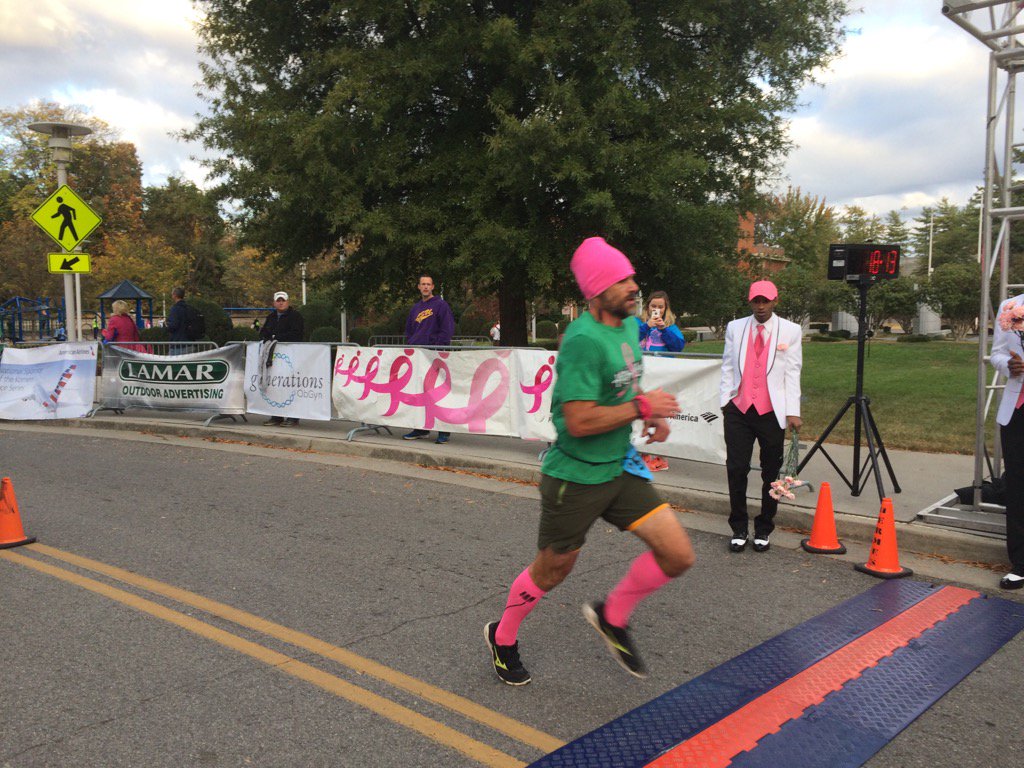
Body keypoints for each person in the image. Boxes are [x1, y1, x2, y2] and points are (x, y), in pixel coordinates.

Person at [484, 236, 694, 686]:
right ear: (597, 292)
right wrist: (641, 408)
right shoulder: (582, 340)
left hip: (620, 466)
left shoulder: (626, 328)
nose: (634, 286)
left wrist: (649, 412)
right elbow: (578, 420)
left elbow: (622, 387)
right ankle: (502, 636)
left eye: (632, 276)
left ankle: (612, 616)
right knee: (553, 570)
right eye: (622, 280)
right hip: (575, 476)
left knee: (677, 554)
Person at [719, 279, 803, 554]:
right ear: (750, 301)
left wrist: (793, 410)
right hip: (739, 409)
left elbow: (793, 372)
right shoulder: (735, 327)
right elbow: (728, 367)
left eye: (765, 300)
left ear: (775, 301)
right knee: (736, 468)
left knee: (771, 473)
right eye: (756, 300)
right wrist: (726, 400)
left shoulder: (790, 331)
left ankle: (764, 527)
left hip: (771, 412)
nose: (761, 306)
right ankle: (739, 527)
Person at [989, 294, 1024, 590]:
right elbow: (997, 354)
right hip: (1018, 410)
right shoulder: (1011, 306)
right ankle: (1021, 562)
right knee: (1018, 485)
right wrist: (1008, 366)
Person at [402, 274, 455, 444]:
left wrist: (438, 349)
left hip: (434, 355)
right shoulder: (416, 308)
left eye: (428, 284)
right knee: (419, 392)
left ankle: (444, 430)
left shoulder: (440, 305)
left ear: (433, 287)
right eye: (422, 284)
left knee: (438, 392)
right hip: (418, 356)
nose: (425, 287)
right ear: (418, 287)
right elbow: (409, 330)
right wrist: (412, 344)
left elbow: (447, 329)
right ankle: (421, 428)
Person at [637, 290, 686, 472]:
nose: (656, 310)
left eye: (660, 307)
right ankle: (642, 453)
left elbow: (678, 347)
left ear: (666, 309)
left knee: (661, 415)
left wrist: (663, 329)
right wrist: (647, 326)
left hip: (663, 377)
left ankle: (660, 457)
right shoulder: (639, 323)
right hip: (643, 376)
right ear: (647, 307)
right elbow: (630, 337)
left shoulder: (671, 327)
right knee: (642, 412)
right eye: (653, 306)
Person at [260, 291, 305, 426]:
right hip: (274, 358)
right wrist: (270, 337)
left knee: (291, 385)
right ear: (274, 303)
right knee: (275, 385)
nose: (281, 302)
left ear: (287, 302)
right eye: (278, 300)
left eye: (283, 300)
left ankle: (293, 416)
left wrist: (276, 337)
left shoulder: (295, 316)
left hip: (291, 356)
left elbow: (297, 334)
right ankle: (276, 415)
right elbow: (263, 332)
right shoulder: (271, 317)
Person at [165, 287, 191, 355]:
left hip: (177, 343)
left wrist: (166, 325)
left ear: (175, 295)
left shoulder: (175, 309)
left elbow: (173, 325)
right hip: (189, 342)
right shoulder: (188, 308)